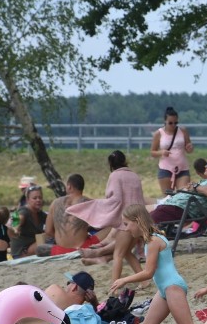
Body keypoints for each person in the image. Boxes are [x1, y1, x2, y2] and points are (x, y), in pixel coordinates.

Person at [68, 150, 147, 283]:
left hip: (127, 222)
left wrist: (98, 205)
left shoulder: (115, 176)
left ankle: (114, 287)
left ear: (110, 164)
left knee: (118, 254)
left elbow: (115, 199)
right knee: (127, 253)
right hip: (140, 219)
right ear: (125, 161)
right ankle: (145, 281)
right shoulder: (134, 175)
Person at [149, 155, 207, 223]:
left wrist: (195, 187)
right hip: (174, 206)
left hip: (182, 209)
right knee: (141, 220)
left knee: (144, 223)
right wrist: (190, 188)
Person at [36, 174, 100, 256]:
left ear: (69, 186)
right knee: (113, 227)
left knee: (40, 248)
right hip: (84, 247)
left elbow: (48, 231)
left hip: (61, 250)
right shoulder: (90, 202)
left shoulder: (55, 203)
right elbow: (101, 224)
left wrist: (61, 236)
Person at [150, 106, 194, 192]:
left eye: (175, 123)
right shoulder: (158, 133)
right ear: (165, 121)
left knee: (183, 194)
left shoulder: (183, 131)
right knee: (168, 198)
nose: (173, 125)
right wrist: (161, 152)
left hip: (182, 168)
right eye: (170, 123)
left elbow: (189, 150)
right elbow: (152, 152)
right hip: (165, 169)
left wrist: (190, 148)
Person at [9, 185, 46, 257]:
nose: (38, 200)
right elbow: (15, 221)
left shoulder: (41, 214)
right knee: (45, 240)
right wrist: (15, 227)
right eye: (34, 198)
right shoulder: (24, 211)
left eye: (40, 198)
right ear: (27, 200)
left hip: (32, 247)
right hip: (21, 252)